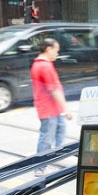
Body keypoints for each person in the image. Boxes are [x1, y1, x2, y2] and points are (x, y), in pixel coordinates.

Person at [31, 38, 73, 176]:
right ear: (48, 49)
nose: (57, 54)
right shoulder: (45, 66)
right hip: (48, 109)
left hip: (52, 108)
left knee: (60, 131)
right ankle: (40, 167)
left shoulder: (40, 64)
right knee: (46, 138)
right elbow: (54, 89)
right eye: (56, 50)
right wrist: (66, 108)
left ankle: (54, 158)